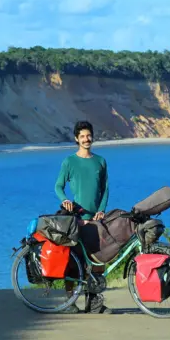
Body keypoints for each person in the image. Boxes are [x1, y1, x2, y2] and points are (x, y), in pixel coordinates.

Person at [54, 120, 111, 314]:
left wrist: (101, 210)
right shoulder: (69, 162)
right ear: (76, 139)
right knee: (73, 261)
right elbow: (58, 186)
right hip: (76, 219)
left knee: (97, 262)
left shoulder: (100, 161)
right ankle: (69, 302)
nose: (86, 139)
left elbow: (105, 190)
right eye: (83, 136)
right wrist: (65, 201)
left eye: (89, 135)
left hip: (96, 219)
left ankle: (94, 303)